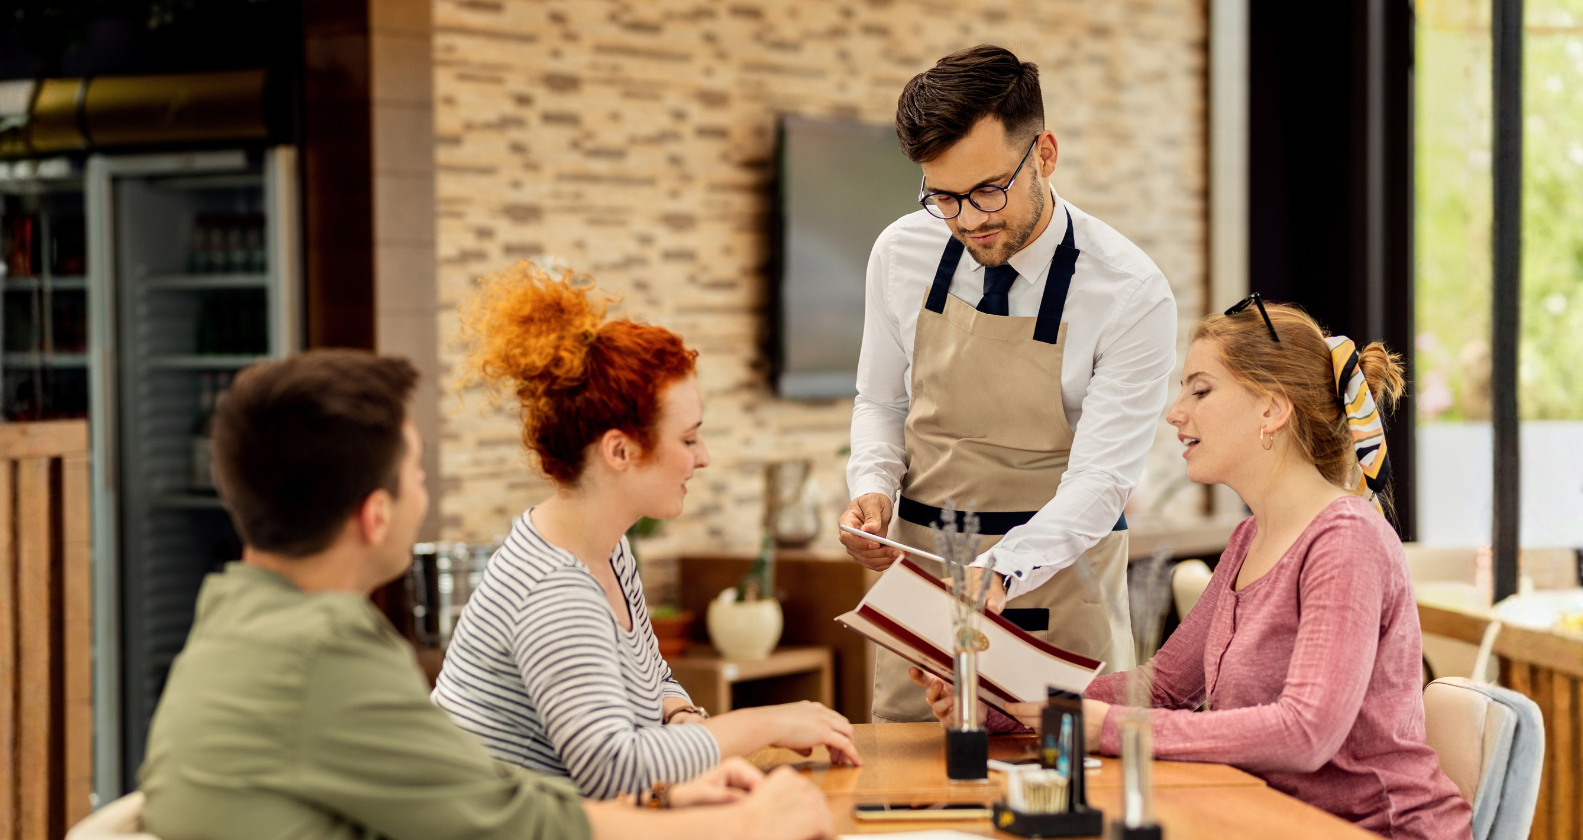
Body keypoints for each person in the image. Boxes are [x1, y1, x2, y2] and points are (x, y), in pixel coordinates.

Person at [139, 349, 834, 840]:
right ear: (376, 515)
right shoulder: (323, 652)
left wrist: (666, 794)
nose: (426, 496)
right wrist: (745, 824)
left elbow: (491, 797)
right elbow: (516, 820)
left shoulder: (240, 617)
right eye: (418, 475)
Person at [913, 301, 1473, 839]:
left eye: (1200, 391)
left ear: (1272, 410)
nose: (1175, 411)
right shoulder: (1251, 538)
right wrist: (1001, 707)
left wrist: (1112, 728)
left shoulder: (1345, 539)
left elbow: (1305, 732)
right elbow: (1161, 688)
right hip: (1269, 819)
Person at [838, 43, 1178, 723]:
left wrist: (1003, 567)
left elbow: (1102, 480)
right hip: (926, 589)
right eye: (944, 197)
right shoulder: (900, 252)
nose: (968, 219)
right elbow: (881, 400)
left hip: (1064, 589)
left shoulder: (1130, 292)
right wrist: (871, 488)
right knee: (909, 777)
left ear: (1044, 154)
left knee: (1061, 774)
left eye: (988, 190)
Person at [432, 264, 860, 800]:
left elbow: (650, 679)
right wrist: (764, 723)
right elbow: (612, 768)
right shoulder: (554, 589)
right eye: (688, 439)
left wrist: (682, 720)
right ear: (619, 450)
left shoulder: (606, 550)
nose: (703, 457)